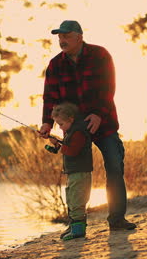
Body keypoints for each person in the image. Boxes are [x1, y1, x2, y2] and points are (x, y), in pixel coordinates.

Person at [40, 20, 136, 231]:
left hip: (104, 123)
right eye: (59, 38)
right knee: (77, 174)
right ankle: (76, 223)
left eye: (66, 36)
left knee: (114, 166)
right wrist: (47, 122)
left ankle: (117, 220)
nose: (62, 41)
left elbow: (108, 89)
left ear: (79, 37)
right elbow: (50, 96)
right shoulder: (55, 64)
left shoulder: (101, 55)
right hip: (74, 130)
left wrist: (98, 114)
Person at [49, 102, 92, 240]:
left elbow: (72, 151)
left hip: (80, 173)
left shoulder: (78, 132)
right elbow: (67, 147)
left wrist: (60, 145)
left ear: (71, 119)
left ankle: (78, 231)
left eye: (61, 124)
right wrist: (57, 143)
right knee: (72, 200)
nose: (60, 127)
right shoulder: (71, 132)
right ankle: (74, 228)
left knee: (78, 200)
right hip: (73, 173)